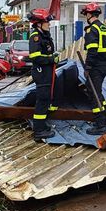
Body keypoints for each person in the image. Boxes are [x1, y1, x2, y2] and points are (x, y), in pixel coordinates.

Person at [81, 2, 106, 135]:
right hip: (103, 65)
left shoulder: (92, 30)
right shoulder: (104, 28)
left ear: (89, 14)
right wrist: (105, 61)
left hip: (95, 67)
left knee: (93, 93)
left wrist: (88, 67)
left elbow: (92, 50)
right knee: (98, 92)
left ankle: (100, 125)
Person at [27, 8, 59, 140]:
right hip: (41, 73)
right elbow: (35, 57)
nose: (49, 24)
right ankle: (39, 131)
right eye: (47, 22)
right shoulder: (35, 37)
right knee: (42, 100)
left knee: (46, 100)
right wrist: (51, 59)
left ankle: (42, 125)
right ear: (39, 23)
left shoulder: (44, 35)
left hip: (47, 71)